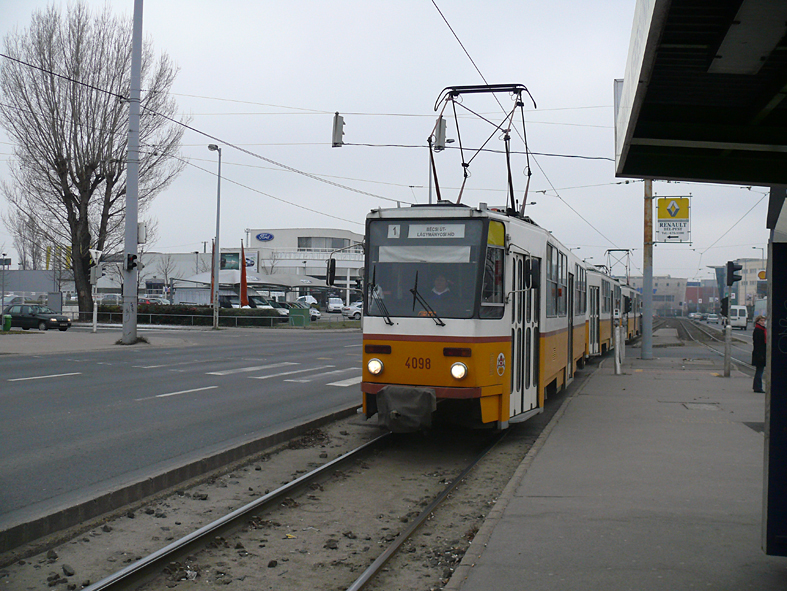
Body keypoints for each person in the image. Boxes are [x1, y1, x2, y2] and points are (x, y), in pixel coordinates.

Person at [752, 315, 766, 393]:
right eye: (761, 321)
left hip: (760, 353)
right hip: (759, 354)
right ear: (757, 322)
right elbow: (758, 344)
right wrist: (760, 355)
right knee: (759, 371)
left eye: (763, 321)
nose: (763, 322)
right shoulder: (758, 330)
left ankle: (756, 386)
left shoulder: (762, 330)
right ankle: (758, 387)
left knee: (759, 370)